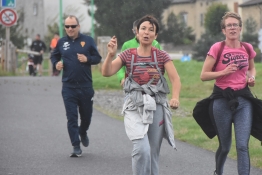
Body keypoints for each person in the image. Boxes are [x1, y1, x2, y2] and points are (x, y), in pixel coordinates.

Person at [194, 12, 262, 175]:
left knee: (242, 146)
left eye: (235, 25)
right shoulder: (218, 48)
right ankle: (219, 172)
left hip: (243, 101)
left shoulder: (247, 47)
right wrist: (223, 72)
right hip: (222, 101)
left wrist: (251, 77)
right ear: (224, 30)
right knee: (225, 146)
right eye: (229, 25)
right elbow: (204, 75)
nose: (232, 28)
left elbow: (252, 67)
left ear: (240, 28)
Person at [101, 15, 181, 175]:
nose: (146, 32)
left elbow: (175, 78)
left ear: (155, 36)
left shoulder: (161, 56)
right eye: (143, 29)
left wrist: (175, 97)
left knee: (153, 154)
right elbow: (107, 72)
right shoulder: (127, 55)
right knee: (141, 148)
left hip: (156, 104)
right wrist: (110, 55)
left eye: (151, 30)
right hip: (134, 105)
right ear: (137, 33)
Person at [50, 15, 102, 157]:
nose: (70, 29)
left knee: (86, 117)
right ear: (65, 28)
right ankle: (75, 146)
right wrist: (56, 64)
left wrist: (88, 59)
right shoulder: (61, 42)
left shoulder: (88, 40)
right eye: (67, 26)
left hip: (85, 86)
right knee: (71, 117)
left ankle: (83, 131)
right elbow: (54, 56)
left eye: (73, 26)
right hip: (68, 87)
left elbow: (98, 58)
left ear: (78, 26)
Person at [117, 19, 162, 87]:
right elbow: (120, 66)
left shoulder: (155, 44)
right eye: (140, 30)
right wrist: (122, 78)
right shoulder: (127, 45)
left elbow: (162, 64)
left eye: (150, 30)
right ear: (135, 31)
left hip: (152, 84)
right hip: (132, 84)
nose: (144, 33)